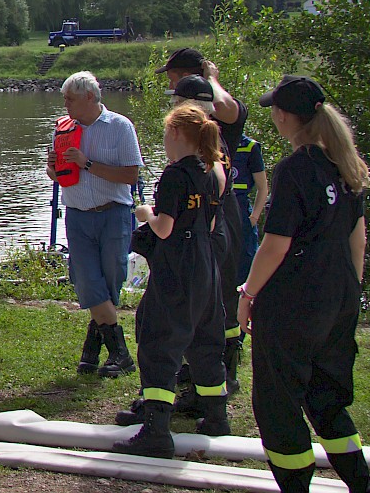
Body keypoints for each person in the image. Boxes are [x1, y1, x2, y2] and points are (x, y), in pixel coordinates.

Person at [239, 75, 370, 493]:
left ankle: (297, 487)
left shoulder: (295, 168)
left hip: (294, 301)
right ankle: (361, 486)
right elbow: (359, 238)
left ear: (283, 116)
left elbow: (276, 244)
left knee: (279, 405)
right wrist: (349, 291)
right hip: (339, 296)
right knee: (327, 397)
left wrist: (248, 293)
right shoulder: (345, 162)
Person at [113, 105, 228, 458]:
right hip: (206, 264)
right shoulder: (211, 172)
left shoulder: (175, 174)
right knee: (205, 340)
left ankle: (156, 430)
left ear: (176, 134)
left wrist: (146, 214)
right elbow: (207, 223)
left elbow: (164, 227)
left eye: (165, 134)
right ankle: (216, 417)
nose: (164, 141)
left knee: (158, 341)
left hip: (177, 266)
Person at [158, 50, 248, 392]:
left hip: (215, 220)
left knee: (215, 297)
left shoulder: (220, 121)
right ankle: (203, 372)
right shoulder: (199, 134)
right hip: (209, 219)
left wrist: (212, 78)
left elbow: (228, 108)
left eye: (174, 81)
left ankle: (220, 371)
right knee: (208, 298)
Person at [45, 71, 143, 377]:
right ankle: (121, 354)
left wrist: (86, 163)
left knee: (111, 280)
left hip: (113, 213)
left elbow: (131, 176)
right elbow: (58, 177)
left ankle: (92, 347)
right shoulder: (64, 130)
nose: (65, 104)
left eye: (69, 99)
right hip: (77, 215)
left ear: (90, 97)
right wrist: (54, 169)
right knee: (87, 281)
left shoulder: (120, 126)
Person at [231, 132, 269, 282]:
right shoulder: (212, 142)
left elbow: (262, 187)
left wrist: (254, 217)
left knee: (245, 265)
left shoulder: (249, 146)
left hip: (241, 212)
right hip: (219, 212)